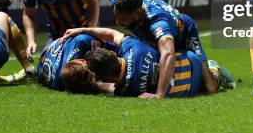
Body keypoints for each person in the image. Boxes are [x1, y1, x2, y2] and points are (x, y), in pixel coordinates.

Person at [57, 0, 233, 99]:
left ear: (137, 14)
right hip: (154, 39)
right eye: (116, 16)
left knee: (209, 87)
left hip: (183, 32)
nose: (118, 22)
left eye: (122, 19)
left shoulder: (158, 23)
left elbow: (168, 55)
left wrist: (159, 95)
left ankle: (214, 69)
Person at [61, 27, 231, 97]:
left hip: (190, 90)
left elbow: (102, 87)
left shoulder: (125, 90)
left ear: (111, 79)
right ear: (113, 53)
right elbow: (112, 34)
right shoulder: (133, 47)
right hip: (190, 60)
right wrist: (82, 29)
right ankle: (212, 69)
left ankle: (213, 70)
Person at [36, 33, 115, 91]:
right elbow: (92, 85)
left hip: (49, 50)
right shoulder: (62, 83)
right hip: (42, 63)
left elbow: (118, 46)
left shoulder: (83, 42)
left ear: (82, 60)